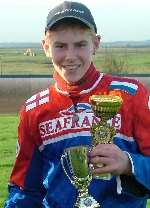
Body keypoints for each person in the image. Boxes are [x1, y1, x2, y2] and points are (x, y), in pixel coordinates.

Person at [4, 1, 150, 208]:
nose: (70, 56)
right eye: (60, 46)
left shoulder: (131, 95)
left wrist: (129, 164)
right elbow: (25, 190)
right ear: (45, 47)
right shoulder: (33, 109)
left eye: (80, 44)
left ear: (96, 44)